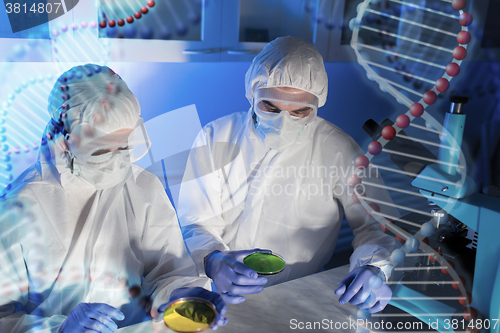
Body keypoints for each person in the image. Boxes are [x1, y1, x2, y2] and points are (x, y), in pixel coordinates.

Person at [177, 37, 397, 313]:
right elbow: (196, 220)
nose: (283, 122)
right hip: (221, 292)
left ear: (318, 104)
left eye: (301, 111)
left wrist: (374, 268)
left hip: (300, 293)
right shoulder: (215, 137)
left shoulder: (339, 150)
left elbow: (375, 225)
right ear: (252, 94)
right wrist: (214, 260)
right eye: (270, 107)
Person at [0, 65, 227, 332]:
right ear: (64, 141)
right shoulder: (21, 205)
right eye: (101, 151)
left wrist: (184, 296)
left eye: (126, 146)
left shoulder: (143, 186)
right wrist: (59, 329)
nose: (118, 162)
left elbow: (168, 271)